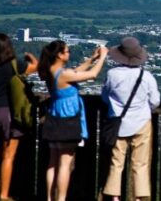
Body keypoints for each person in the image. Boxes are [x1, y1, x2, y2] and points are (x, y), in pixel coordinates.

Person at [38, 41, 107, 201]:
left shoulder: (51, 71)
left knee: (53, 162)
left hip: (54, 117)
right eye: (67, 51)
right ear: (59, 55)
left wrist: (92, 59)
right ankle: (61, 198)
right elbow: (92, 75)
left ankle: (49, 197)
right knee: (65, 163)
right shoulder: (63, 74)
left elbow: (75, 72)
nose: (69, 53)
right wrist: (103, 57)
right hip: (67, 120)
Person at [100, 37, 161, 201]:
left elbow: (105, 97)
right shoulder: (146, 76)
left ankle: (114, 197)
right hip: (141, 122)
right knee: (140, 164)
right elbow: (155, 101)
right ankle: (139, 198)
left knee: (116, 162)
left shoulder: (112, 75)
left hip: (117, 122)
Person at [0, 33, 38, 201]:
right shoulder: (15, 65)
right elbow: (37, 67)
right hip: (9, 112)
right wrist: (31, 57)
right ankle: (4, 195)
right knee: (8, 155)